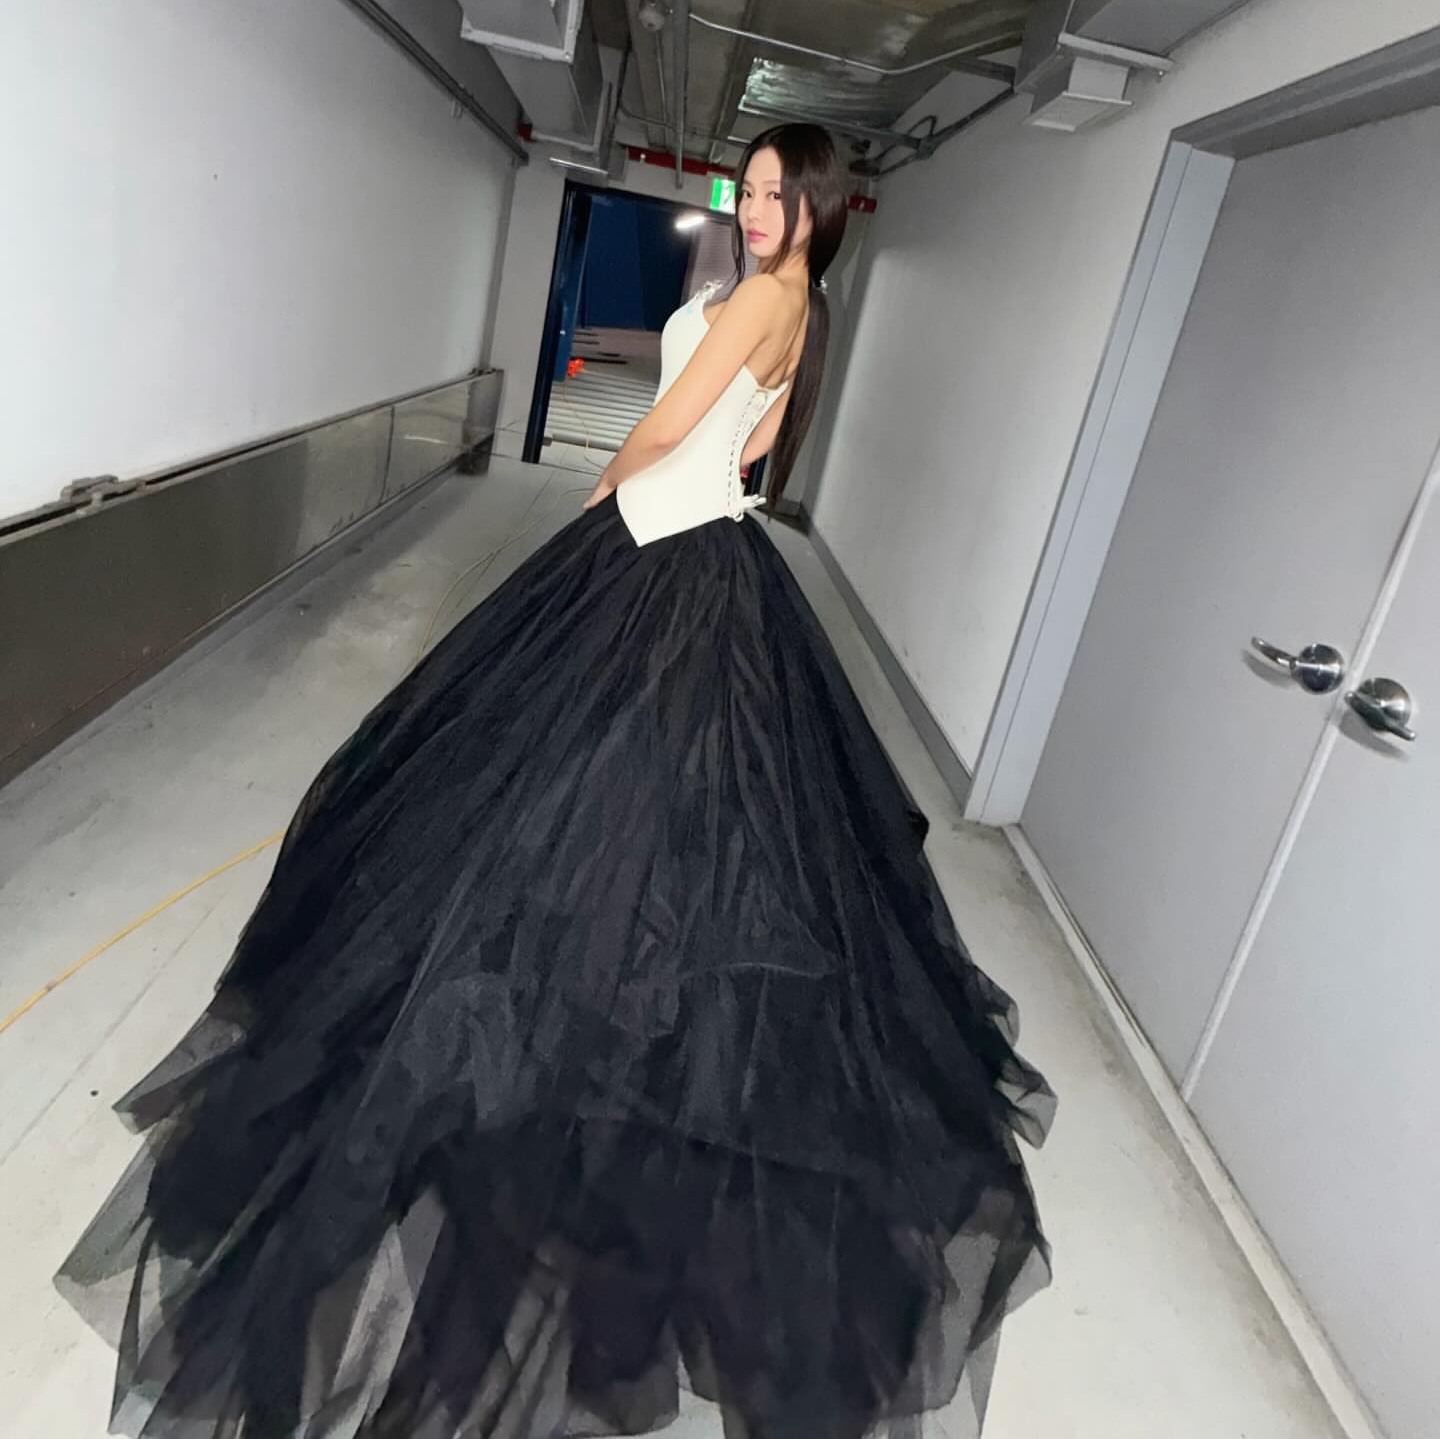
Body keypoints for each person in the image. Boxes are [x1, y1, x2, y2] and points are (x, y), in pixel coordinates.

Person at [59, 123, 1052, 1439]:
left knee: (557, 796)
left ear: (819, 204)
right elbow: (753, 457)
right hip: (716, 555)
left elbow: (674, 426)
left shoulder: (766, 295)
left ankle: (554, 1029)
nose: (755, 208)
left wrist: (603, 490)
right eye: (747, 189)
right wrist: (675, 472)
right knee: (668, 816)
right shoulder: (807, 310)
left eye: (777, 193)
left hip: (652, 553)